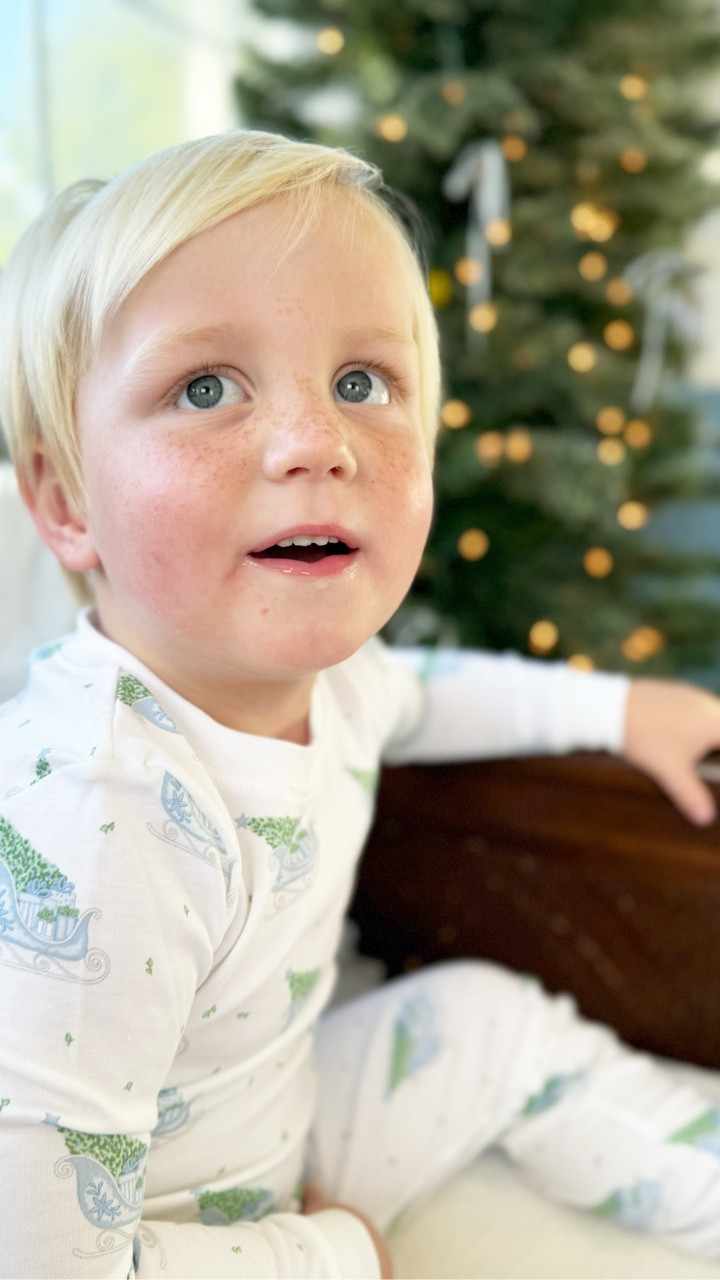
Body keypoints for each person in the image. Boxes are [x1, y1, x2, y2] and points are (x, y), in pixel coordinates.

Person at [2, 130, 720, 1280]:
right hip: (155, 1235)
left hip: (278, 1121)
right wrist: (331, 1253)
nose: (316, 441)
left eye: (361, 382)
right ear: (64, 498)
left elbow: (426, 695)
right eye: (204, 387)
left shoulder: (332, 677)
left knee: (481, 1016)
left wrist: (620, 712)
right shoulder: (93, 822)